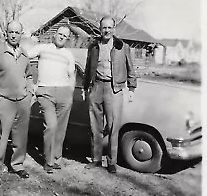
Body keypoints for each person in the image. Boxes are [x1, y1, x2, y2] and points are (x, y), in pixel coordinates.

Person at [0, 20, 34, 187]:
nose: (13, 35)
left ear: (21, 34)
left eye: (17, 32)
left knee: (21, 137)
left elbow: (29, 76)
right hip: (3, 100)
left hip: (22, 101)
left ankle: (17, 165)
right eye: (10, 32)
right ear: (6, 33)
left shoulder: (25, 53)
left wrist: (30, 93)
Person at [83, 16, 137, 174]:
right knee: (95, 126)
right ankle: (96, 159)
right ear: (100, 29)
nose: (106, 30)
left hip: (115, 88)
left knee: (113, 126)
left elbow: (130, 68)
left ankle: (112, 161)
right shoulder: (93, 46)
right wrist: (86, 87)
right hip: (96, 87)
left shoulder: (122, 46)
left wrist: (131, 88)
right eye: (103, 28)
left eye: (109, 27)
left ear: (114, 29)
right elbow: (88, 68)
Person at [27, 26, 75, 174]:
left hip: (64, 93)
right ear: (54, 35)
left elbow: (72, 76)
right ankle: (48, 161)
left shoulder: (68, 54)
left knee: (60, 129)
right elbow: (24, 56)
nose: (61, 37)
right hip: (45, 92)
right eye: (59, 34)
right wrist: (32, 85)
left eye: (65, 36)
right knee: (51, 126)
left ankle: (56, 158)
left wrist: (70, 93)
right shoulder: (42, 48)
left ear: (67, 39)